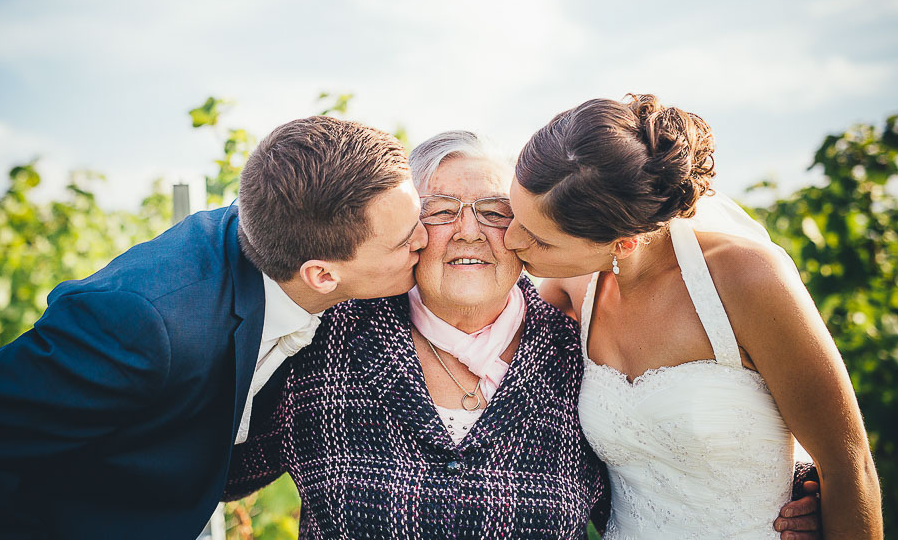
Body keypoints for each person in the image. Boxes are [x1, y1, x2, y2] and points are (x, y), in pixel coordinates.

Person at [224, 131, 824, 539]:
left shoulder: (579, 350)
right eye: (440, 210)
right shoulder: (330, 340)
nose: (469, 231)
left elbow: (656, 450)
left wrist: (794, 480)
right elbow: (219, 471)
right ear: (407, 228)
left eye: (492, 209)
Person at [0, 116, 428, 540]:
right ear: (321, 275)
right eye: (406, 240)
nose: (427, 239)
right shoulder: (144, 322)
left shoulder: (296, 242)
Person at [504, 95, 883, 539]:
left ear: (625, 242)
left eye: (539, 239)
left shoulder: (745, 280)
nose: (511, 239)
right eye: (513, 213)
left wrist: (805, 484)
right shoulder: (574, 289)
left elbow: (847, 464)